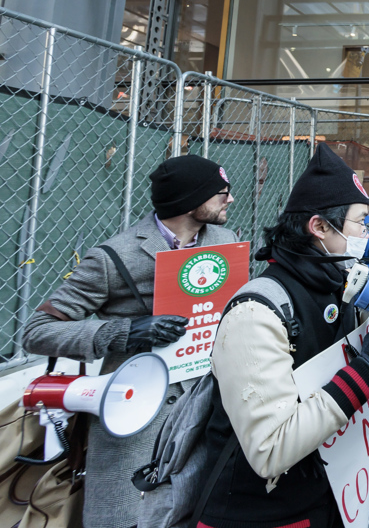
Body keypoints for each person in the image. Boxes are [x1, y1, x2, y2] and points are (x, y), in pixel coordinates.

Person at [21, 155, 237, 528]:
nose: (229, 200)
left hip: (206, 409)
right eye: (221, 192)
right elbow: (36, 331)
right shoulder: (114, 257)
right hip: (138, 418)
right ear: (190, 199)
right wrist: (125, 331)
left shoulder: (225, 241)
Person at [199, 144, 369, 526]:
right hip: (262, 514)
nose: (368, 232)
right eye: (361, 222)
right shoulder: (256, 312)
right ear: (320, 227)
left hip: (325, 499)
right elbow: (270, 450)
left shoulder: (337, 287)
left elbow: (351, 397)